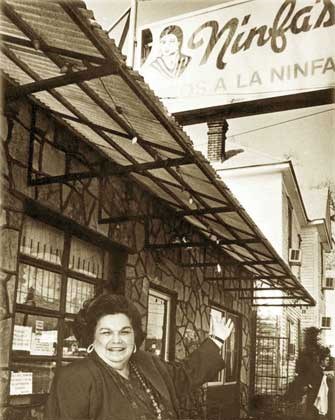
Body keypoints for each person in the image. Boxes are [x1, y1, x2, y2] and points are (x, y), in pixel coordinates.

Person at [44, 293, 234, 420]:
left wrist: (216, 339)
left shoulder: (147, 363)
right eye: (106, 332)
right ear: (92, 337)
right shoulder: (75, 378)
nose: (117, 340)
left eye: (124, 332)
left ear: (134, 335)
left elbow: (184, 376)